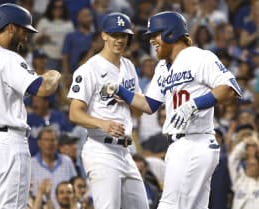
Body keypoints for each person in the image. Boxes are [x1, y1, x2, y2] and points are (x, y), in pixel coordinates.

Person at [102, 11, 242, 209]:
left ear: (170, 32)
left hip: (196, 141)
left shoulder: (199, 56)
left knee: (169, 204)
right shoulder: (162, 67)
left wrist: (194, 105)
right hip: (178, 145)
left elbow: (230, 89)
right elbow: (149, 104)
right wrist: (120, 91)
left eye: (155, 34)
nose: (151, 40)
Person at [0, 3, 61, 209]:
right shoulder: (8, 58)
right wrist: (54, 74)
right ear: (11, 27)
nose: (26, 37)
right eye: (24, 31)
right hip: (7, 143)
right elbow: (42, 89)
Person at [67, 12, 149, 209]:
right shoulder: (89, 69)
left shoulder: (128, 66)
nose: (119, 40)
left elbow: (138, 110)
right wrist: (102, 123)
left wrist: (129, 100)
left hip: (125, 151)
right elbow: (74, 113)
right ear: (103, 35)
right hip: (101, 150)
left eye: (124, 36)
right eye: (114, 35)